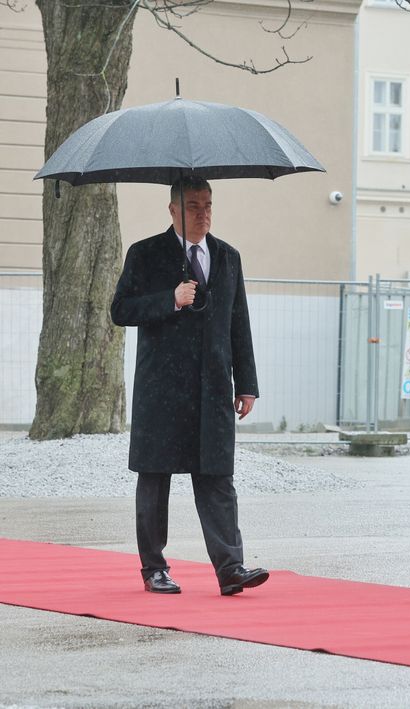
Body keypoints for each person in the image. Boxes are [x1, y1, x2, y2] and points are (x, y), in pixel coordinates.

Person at [110, 176, 269, 596]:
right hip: (161, 389)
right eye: (195, 206)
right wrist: (170, 299)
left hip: (213, 387)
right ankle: (154, 568)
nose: (204, 214)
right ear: (173, 210)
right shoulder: (145, 254)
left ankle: (230, 567)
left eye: (208, 205)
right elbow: (120, 310)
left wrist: (246, 384)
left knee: (217, 477)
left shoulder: (228, 257)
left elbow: (240, 323)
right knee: (155, 477)